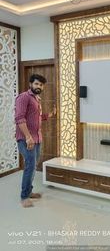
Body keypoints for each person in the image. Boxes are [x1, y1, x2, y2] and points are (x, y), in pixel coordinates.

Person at [15, 74, 56, 208]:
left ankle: (29, 191)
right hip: (27, 139)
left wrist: (50, 114)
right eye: (37, 84)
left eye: (41, 85)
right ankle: (24, 197)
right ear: (31, 84)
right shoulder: (24, 97)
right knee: (30, 166)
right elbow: (19, 118)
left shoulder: (37, 99)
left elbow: (36, 117)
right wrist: (28, 137)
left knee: (33, 166)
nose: (39, 86)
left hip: (37, 138)